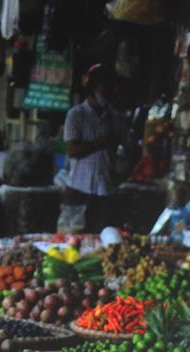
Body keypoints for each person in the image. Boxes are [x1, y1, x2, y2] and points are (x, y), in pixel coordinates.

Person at [61, 65, 132, 232]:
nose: (108, 91)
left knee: (104, 241)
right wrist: (100, 142)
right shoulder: (76, 115)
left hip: (106, 190)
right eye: (104, 87)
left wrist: (123, 173)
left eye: (111, 87)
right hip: (79, 190)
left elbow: (130, 149)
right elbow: (72, 150)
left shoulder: (116, 118)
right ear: (92, 87)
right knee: (74, 239)